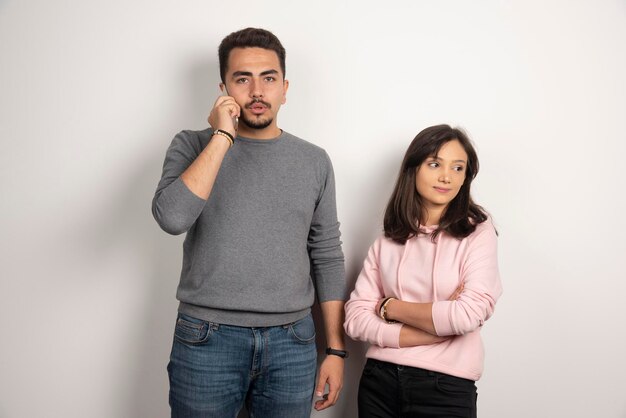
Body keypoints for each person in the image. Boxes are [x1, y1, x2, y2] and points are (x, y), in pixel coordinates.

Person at [152, 27, 347, 418]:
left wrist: (336, 350)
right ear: (223, 88)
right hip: (207, 338)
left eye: (268, 78)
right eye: (243, 79)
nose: (257, 91)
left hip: (293, 341)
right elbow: (172, 218)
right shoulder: (192, 145)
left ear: (285, 88)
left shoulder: (313, 161)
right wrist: (223, 135)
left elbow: (326, 254)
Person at [344, 124, 503, 418]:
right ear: (413, 169)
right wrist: (432, 331)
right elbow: (355, 319)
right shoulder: (389, 239)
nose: (446, 176)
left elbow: (468, 314)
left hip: (445, 387)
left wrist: (389, 307)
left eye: (458, 168)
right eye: (435, 164)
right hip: (379, 382)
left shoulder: (477, 233)